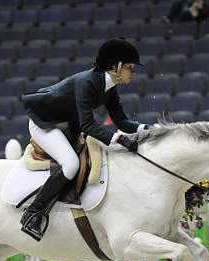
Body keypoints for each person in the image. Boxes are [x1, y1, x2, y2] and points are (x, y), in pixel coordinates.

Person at [19, 37, 148, 242]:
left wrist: (148, 130)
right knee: (70, 164)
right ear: (117, 66)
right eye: (130, 67)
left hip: (67, 124)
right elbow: (88, 125)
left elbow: (122, 121)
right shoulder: (87, 82)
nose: (134, 72)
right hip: (45, 123)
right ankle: (33, 213)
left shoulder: (109, 87)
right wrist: (121, 140)